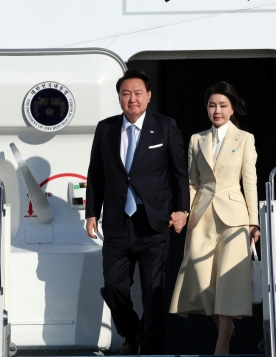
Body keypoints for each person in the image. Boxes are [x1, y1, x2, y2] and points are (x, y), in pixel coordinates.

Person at [85, 69, 189, 355]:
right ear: (119, 97)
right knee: (114, 286)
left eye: (138, 93)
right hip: (117, 222)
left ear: (149, 96)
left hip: (154, 221)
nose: (132, 99)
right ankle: (132, 334)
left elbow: (179, 173)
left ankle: (151, 346)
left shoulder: (165, 126)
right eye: (126, 94)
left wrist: (183, 209)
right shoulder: (105, 128)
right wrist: (91, 213)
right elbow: (96, 174)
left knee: (152, 290)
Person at [169, 81, 260, 355]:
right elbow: (191, 182)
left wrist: (253, 220)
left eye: (222, 105)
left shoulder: (245, 139)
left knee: (229, 279)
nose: (217, 110)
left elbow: (250, 181)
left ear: (232, 109)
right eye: (212, 105)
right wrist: (185, 211)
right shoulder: (197, 139)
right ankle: (224, 327)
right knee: (200, 276)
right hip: (202, 215)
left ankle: (222, 341)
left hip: (234, 216)